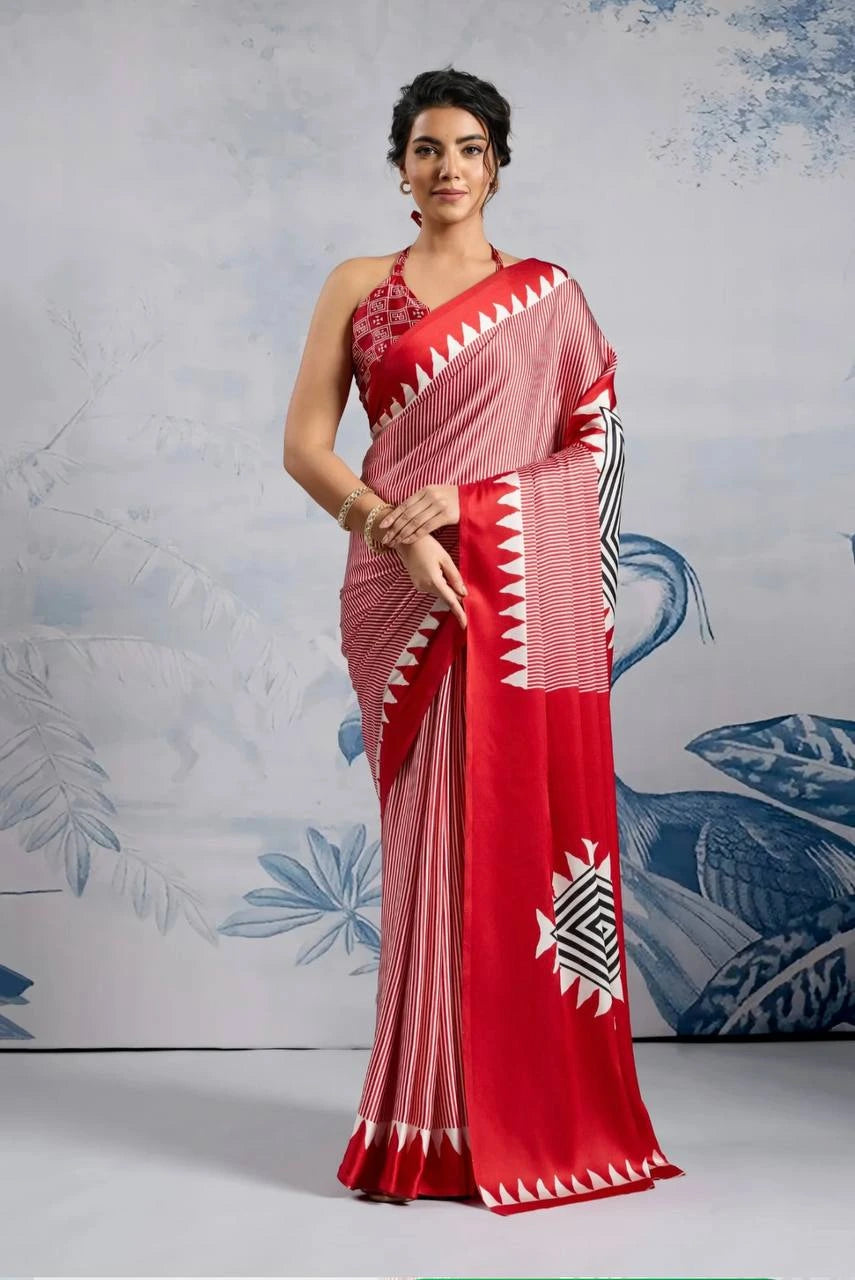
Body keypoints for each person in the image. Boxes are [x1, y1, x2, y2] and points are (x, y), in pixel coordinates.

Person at [283, 66, 685, 1216]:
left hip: (515, 597)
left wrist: (468, 508)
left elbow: (592, 452)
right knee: (425, 851)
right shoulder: (360, 286)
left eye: (467, 147)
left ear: (497, 164)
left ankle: (520, 1109)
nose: (447, 166)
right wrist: (397, 534)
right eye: (425, 149)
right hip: (402, 600)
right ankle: (420, 1116)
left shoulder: (547, 296)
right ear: (400, 170)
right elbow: (306, 446)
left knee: (507, 845)